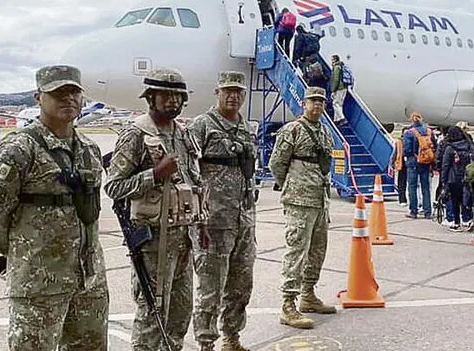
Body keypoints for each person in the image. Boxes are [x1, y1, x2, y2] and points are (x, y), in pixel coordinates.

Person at [0, 65, 109, 350]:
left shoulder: (89, 149)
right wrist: (23, 253)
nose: (68, 98)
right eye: (57, 92)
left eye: (74, 91)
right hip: (39, 282)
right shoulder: (19, 149)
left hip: (89, 280)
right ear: (38, 98)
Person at [105, 68, 209, 351]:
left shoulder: (184, 135)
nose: (173, 101)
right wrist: (154, 174)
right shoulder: (136, 134)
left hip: (183, 239)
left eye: (178, 96)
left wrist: (202, 225)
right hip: (153, 243)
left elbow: (194, 182)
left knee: (180, 314)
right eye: (166, 95)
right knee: (152, 317)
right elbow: (113, 187)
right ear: (150, 97)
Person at [188, 71, 257, 351]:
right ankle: (206, 343)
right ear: (217, 93)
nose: (233, 96)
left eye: (238, 92)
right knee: (210, 288)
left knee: (241, 284)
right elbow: (188, 171)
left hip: (243, 220)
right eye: (228, 91)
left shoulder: (246, 128)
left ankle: (232, 337)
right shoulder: (202, 126)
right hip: (213, 222)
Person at [269, 86, 336, 330]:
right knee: (296, 251)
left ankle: (308, 294)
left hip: (320, 200)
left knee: (318, 250)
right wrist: (292, 185)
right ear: (304, 104)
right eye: (312, 101)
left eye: (320, 101)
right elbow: (277, 163)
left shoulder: (325, 132)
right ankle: (288, 304)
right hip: (299, 200)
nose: (316, 105)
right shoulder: (292, 130)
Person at [404, 111, 436, 219]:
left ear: (411, 119)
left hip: (413, 162)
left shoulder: (409, 132)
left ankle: (414, 211)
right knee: (425, 187)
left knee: (412, 187)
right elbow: (434, 146)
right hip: (426, 162)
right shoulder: (429, 131)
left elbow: (407, 150)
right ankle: (428, 212)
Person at [441, 126, 473, 230]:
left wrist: (443, 181)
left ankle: (455, 221)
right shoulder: (468, 145)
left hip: (453, 178)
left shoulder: (449, 148)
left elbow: (445, 165)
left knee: (454, 200)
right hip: (467, 175)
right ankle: (467, 219)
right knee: (466, 198)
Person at [330, 54, 348, 125]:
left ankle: (342, 118)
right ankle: (336, 120)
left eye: (332, 60)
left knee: (335, 104)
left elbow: (336, 79)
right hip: (344, 87)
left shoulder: (336, 67)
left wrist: (333, 90)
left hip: (339, 88)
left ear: (335, 60)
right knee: (339, 104)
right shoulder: (342, 66)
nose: (331, 62)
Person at [396, 127, 408, 206]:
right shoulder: (399, 142)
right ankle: (402, 199)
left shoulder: (412, 139)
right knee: (402, 183)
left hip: (409, 163)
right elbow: (395, 152)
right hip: (402, 163)